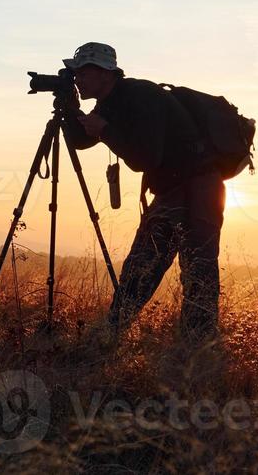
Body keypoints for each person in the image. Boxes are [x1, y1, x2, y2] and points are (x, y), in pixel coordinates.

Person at [56, 41, 225, 342]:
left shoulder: (140, 96)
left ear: (106, 74)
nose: (77, 79)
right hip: (172, 189)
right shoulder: (111, 100)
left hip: (199, 187)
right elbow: (82, 140)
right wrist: (70, 109)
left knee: (198, 272)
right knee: (141, 267)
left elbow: (145, 159)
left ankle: (199, 350)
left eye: (82, 73)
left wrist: (105, 130)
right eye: (76, 74)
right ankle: (111, 335)